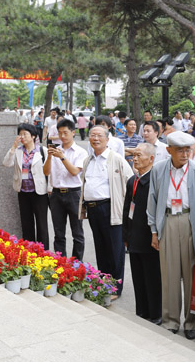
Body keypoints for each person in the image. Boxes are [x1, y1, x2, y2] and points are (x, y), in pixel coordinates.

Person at [147, 131, 195, 338]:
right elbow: (152, 200)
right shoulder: (158, 169)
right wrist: (154, 230)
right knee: (169, 274)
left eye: (187, 150)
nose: (184, 154)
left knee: (192, 274)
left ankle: (191, 323)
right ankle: (170, 320)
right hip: (168, 221)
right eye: (179, 150)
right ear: (169, 150)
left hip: (191, 221)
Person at [79, 125, 134, 296]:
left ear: (107, 139)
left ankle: (116, 287)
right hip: (93, 209)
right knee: (100, 247)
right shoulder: (88, 160)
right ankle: (104, 284)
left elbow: (130, 181)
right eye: (92, 135)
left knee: (115, 249)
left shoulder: (116, 159)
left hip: (110, 208)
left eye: (99, 136)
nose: (95, 139)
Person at [123, 143, 162, 324]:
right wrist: (125, 234)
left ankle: (156, 313)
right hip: (134, 235)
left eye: (139, 155)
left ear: (151, 159)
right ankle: (142, 310)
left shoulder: (155, 180)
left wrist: (156, 234)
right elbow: (127, 209)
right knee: (137, 276)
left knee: (152, 276)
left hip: (149, 236)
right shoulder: (133, 180)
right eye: (134, 155)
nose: (135, 158)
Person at [43, 118, 87, 260]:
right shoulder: (55, 150)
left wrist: (62, 157)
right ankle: (60, 262)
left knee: (77, 232)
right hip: (56, 194)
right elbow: (45, 172)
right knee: (58, 232)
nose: (62, 136)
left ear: (73, 132)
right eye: (60, 133)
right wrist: (49, 157)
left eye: (65, 133)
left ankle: (77, 263)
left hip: (74, 193)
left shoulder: (80, 152)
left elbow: (74, 172)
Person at [3, 123, 49, 249]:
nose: (22, 137)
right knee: (26, 223)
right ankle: (29, 249)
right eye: (20, 134)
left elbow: (50, 171)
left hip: (39, 192)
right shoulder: (18, 151)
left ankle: (43, 251)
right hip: (23, 191)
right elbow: (6, 163)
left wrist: (50, 189)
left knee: (41, 224)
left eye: (25, 134)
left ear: (33, 136)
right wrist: (13, 147)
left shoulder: (42, 151)